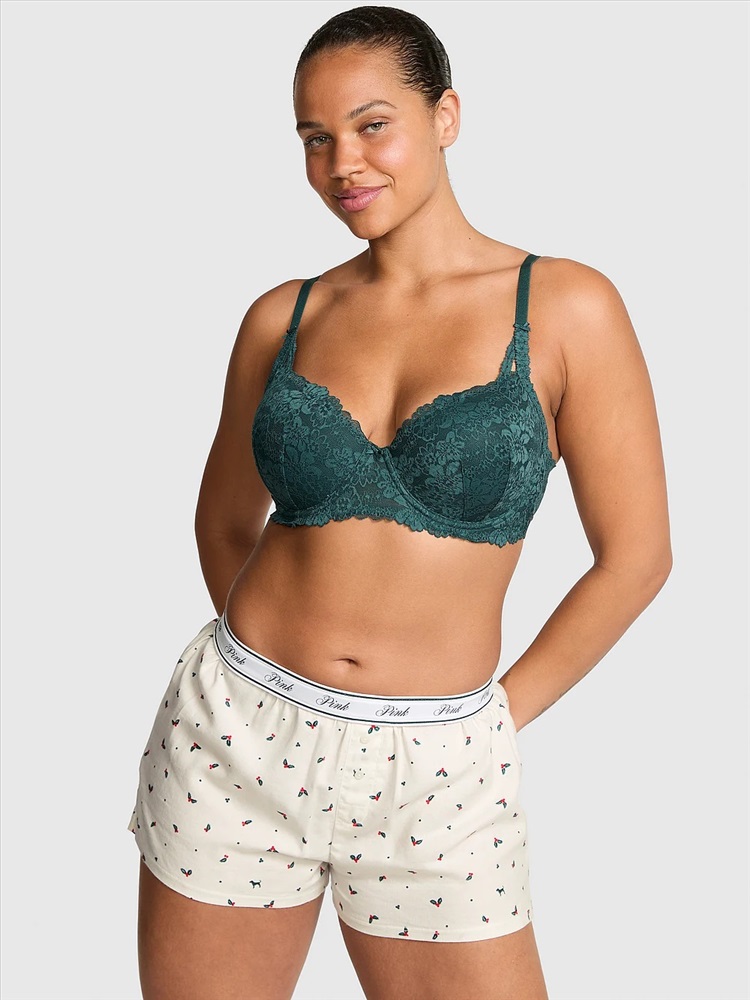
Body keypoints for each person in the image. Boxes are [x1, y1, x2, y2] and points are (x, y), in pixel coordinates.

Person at [126, 5, 672, 998]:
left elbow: (637, 557)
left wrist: (491, 720)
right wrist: (266, 683)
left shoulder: (565, 306)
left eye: (372, 124)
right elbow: (221, 520)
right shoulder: (284, 316)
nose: (343, 163)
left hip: (441, 766)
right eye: (315, 137)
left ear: (446, 115)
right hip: (234, 742)